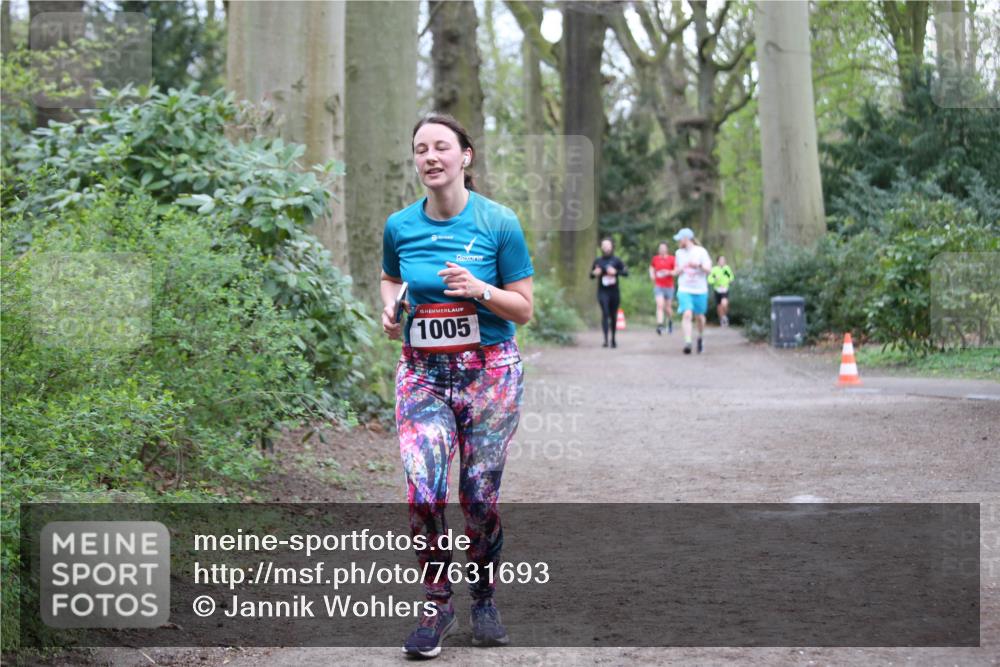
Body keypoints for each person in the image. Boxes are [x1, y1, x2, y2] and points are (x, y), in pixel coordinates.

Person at [380, 113, 534, 659]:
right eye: (420, 148)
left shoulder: (499, 223)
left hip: (489, 372)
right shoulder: (400, 225)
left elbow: (524, 308)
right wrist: (390, 304)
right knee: (423, 493)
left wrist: (479, 289)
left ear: (464, 156)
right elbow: (392, 275)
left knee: (478, 498)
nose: (430, 156)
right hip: (422, 372)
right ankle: (437, 604)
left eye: (441, 146)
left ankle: (485, 600)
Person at [671, 228, 712, 354]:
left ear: (686, 239)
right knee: (687, 314)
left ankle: (700, 336)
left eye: (680, 239)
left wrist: (698, 265)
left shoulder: (701, 252)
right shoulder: (679, 253)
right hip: (684, 288)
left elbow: (709, 270)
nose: (678, 242)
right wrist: (677, 271)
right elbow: (676, 270)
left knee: (699, 317)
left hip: (700, 289)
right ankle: (688, 342)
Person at [590, 238, 628, 348]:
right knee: (605, 313)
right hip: (602, 291)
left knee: (613, 315)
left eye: (608, 245)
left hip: (614, 292)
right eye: (604, 245)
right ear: (601, 247)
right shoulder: (598, 261)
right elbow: (591, 275)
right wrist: (595, 273)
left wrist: (616, 272)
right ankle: (605, 340)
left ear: (612, 247)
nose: (606, 247)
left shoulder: (616, 260)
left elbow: (626, 273)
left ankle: (613, 339)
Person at [648, 241, 676, 335]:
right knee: (660, 305)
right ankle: (660, 325)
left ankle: (670, 321)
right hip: (658, 285)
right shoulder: (655, 259)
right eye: (660, 248)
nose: (662, 249)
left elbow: (676, 271)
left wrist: (668, 272)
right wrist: (652, 275)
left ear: (667, 249)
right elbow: (651, 268)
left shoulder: (672, 259)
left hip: (669, 286)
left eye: (664, 248)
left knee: (667, 307)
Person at [708, 255, 735, 326]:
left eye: (723, 260)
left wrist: (728, 281)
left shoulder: (727, 269)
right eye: (721, 260)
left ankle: (725, 317)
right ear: (718, 261)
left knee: (724, 303)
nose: (722, 261)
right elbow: (710, 279)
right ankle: (722, 319)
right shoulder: (714, 269)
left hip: (725, 289)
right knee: (719, 306)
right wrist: (715, 279)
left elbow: (731, 277)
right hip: (717, 289)